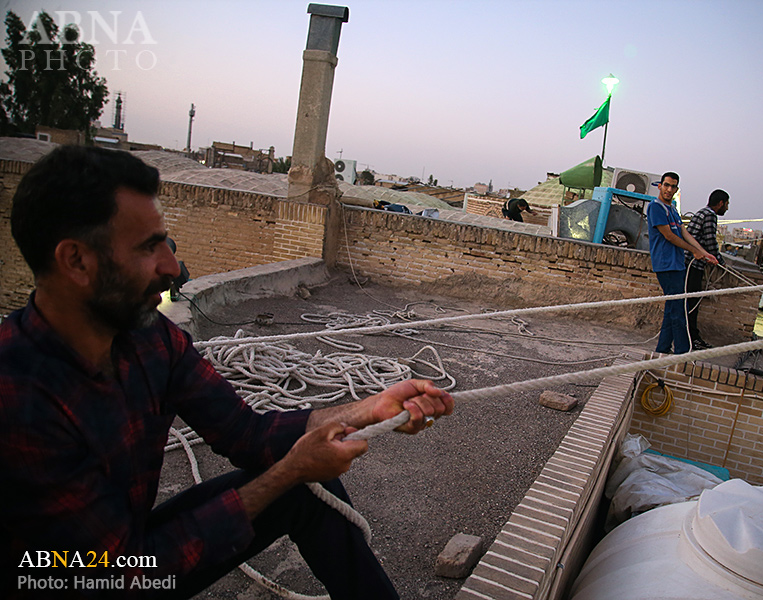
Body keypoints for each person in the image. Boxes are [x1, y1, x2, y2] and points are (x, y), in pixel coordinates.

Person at [0, 145, 454, 599]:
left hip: (127, 552)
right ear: (76, 261)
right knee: (292, 477)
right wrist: (287, 471)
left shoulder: (149, 339)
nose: (172, 267)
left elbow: (245, 433)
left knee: (308, 487)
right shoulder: (17, 394)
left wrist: (368, 410)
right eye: (147, 247)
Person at [647, 172, 718, 355]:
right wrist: (693, 251)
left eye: (673, 187)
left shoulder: (672, 209)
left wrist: (704, 253)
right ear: (660, 186)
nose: (669, 189)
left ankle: (663, 349)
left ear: (676, 189)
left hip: (677, 264)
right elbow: (669, 236)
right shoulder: (656, 207)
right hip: (666, 264)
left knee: (673, 308)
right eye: (666, 185)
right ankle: (682, 353)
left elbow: (684, 233)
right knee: (679, 310)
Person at [683, 189, 729, 350]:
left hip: (688, 263)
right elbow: (710, 242)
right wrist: (721, 262)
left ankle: (690, 337)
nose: (727, 208)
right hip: (693, 265)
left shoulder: (701, 212)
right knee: (692, 303)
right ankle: (690, 339)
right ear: (721, 203)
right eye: (727, 204)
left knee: (688, 302)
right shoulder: (710, 215)